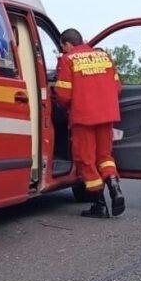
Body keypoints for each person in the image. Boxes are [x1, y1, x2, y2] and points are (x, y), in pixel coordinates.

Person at [54, 28, 125, 218]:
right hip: (107, 115)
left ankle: (99, 205)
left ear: (67, 44)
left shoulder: (68, 60)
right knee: (105, 156)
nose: (62, 51)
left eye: (62, 47)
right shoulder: (104, 57)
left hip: (83, 117)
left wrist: (63, 105)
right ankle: (115, 189)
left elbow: (63, 94)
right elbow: (117, 87)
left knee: (85, 160)